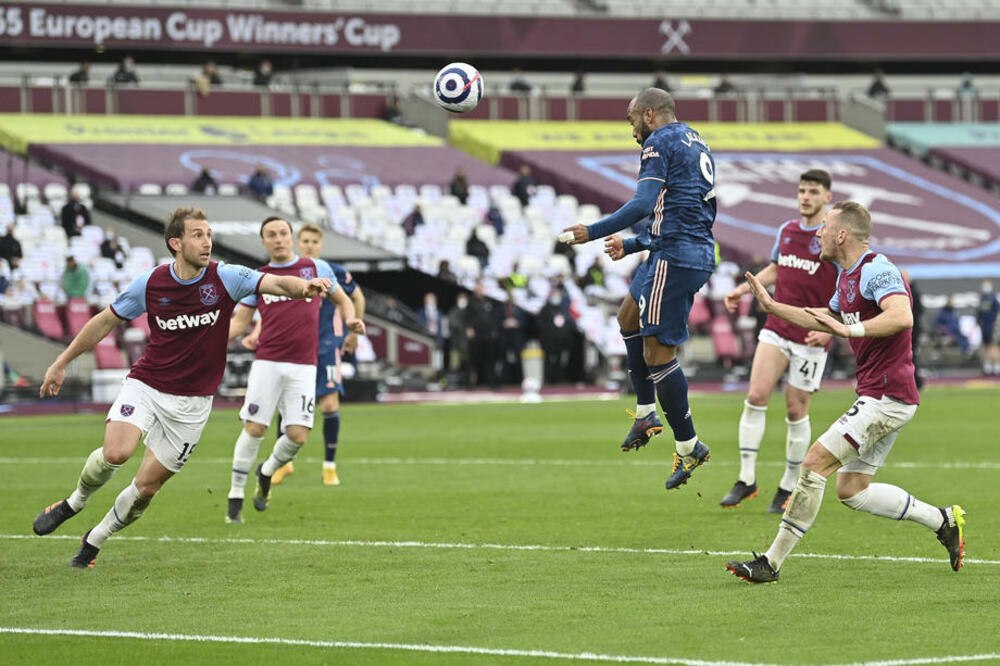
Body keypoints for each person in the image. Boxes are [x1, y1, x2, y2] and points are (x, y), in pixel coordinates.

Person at [32, 206, 333, 568]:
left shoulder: (228, 277)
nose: (207, 242)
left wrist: (305, 288)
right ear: (176, 243)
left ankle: (94, 540)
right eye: (197, 235)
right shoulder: (152, 283)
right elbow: (104, 321)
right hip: (147, 384)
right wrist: (61, 362)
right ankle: (74, 502)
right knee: (116, 453)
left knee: (146, 491)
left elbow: (276, 283)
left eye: (209, 234)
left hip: (192, 404)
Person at [726, 201, 966, 583]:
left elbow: (902, 316)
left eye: (824, 227)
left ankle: (770, 564)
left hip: (886, 397)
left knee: (812, 465)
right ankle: (943, 521)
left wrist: (849, 331)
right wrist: (773, 306)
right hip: (883, 396)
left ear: (841, 235)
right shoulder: (846, 277)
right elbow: (824, 316)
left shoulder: (877, 270)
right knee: (852, 491)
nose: (817, 233)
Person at [566, 87, 717, 490]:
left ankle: (689, 447)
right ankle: (646, 412)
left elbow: (644, 204)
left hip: (676, 257)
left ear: (649, 115)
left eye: (632, 119)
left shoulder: (658, 142)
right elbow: (684, 211)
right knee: (627, 316)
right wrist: (633, 244)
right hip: (679, 248)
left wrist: (592, 231)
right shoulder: (693, 138)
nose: (631, 129)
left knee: (657, 352)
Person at [225, 218, 365, 522]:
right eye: (270, 235)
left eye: (283, 233)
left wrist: (352, 322)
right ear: (263, 242)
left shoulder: (317, 268)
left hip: (305, 364)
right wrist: (212, 338)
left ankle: (266, 471)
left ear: (292, 237)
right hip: (267, 362)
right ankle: (235, 495)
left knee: (298, 436)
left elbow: (344, 300)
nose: (278, 239)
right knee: (255, 428)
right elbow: (239, 321)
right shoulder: (258, 277)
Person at [717, 169, 839, 512]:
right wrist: (744, 288)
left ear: (827, 197)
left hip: (811, 334)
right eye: (802, 190)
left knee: (795, 409)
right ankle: (746, 479)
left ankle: (788, 486)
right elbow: (777, 268)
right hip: (777, 326)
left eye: (813, 191)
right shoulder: (786, 230)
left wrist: (829, 326)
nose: (805, 197)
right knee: (755, 396)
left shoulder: (833, 237)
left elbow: (846, 286)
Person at [537, 287, 577, 384]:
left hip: (561, 340)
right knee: (548, 360)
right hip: (548, 340)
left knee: (560, 360)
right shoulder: (545, 309)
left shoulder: (563, 309)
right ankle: (547, 379)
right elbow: (540, 325)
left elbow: (570, 323)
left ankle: (559, 378)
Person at [466, 281, 499, 387]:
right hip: (476, 335)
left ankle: (491, 382)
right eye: (478, 288)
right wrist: (469, 328)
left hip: (488, 335)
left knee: (489, 360)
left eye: (481, 288)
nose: (480, 290)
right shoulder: (471, 302)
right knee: (473, 360)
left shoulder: (488, 302)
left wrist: (494, 330)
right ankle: (470, 383)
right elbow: (467, 317)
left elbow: (494, 317)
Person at [976, 280, 999, 374]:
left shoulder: (994, 299)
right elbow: (979, 313)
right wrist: (978, 321)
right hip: (984, 326)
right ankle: (988, 364)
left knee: (994, 345)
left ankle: (996, 364)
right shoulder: (981, 299)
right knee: (986, 345)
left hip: (993, 326)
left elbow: (997, 312)